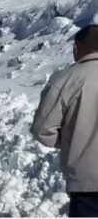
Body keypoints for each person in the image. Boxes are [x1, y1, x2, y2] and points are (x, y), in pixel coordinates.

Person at [31, 24, 98, 217]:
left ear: (76, 48)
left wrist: (69, 140)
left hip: (87, 184)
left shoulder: (65, 80)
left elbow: (42, 130)